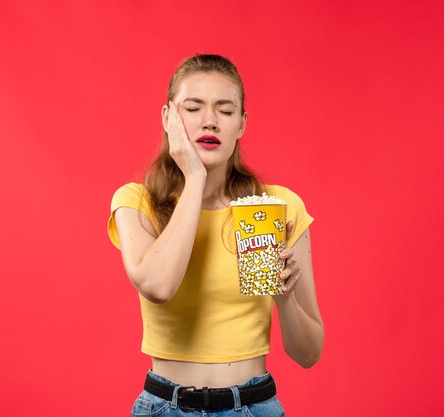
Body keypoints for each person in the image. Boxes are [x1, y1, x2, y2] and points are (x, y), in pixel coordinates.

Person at [108, 53, 324, 416]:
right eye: (193, 108)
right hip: (165, 407)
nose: (210, 121)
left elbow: (308, 354)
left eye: (225, 111)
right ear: (168, 118)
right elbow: (158, 286)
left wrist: (284, 298)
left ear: (242, 124)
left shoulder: (277, 207)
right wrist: (195, 178)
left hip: (254, 407)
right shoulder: (137, 201)